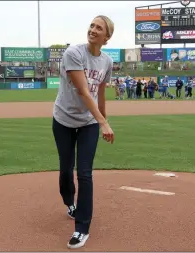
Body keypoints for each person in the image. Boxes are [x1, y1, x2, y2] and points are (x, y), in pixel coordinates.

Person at [52, 15, 115, 249]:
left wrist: (102, 120)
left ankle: (82, 228)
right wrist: (104, 123)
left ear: (106, 38)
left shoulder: (106, 62)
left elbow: (100, 92)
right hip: (63, 120)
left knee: (85, 173)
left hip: (88, 122)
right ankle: (70, 202)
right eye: (92, 25)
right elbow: (83, 92)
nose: (93, 30)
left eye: (99, 28)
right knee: (66, 168)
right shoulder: (74, 53)